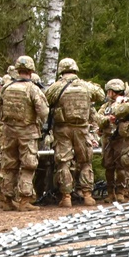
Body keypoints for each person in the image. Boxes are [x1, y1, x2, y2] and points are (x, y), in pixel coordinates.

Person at [44, 58, 106, 207]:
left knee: (64, 162)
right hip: (82, 128)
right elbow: (101, 95)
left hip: (62, 129)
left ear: (61, 70)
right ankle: (87, 195)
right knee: (85, 162)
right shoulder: (86, 86)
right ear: (75, 70)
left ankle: (66, 197)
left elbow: (46, 100)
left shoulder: (56, 87)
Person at [0, 55, 49, 210]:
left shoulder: (6, 87)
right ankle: (24, 200)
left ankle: (6, 199)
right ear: (31, 71)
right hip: (27, 132)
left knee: (9, 165)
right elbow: (43, 111)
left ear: (18, 70)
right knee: (28, 165)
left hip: (9, 132)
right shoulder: (32, 89)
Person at [96, 78, 129, 202]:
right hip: (108, 138)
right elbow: (98, 118)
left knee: (121, 167)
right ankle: (111, 193)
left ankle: (121, 192)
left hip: (121, 138)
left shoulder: (126, 103)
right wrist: (106, 120)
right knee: (108, 166)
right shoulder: (106, 106)